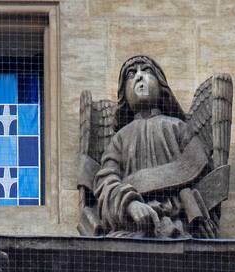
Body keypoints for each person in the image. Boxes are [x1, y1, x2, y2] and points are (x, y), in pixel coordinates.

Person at [92, 55, 216, 239]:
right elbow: (106, 182)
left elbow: (202, 172)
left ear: (161, 85)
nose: (139, 77)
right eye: (131, 74)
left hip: (177, 226)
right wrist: (130, 204)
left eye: (147, 71)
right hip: (131, 227)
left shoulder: (178, 127)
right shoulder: (120, 138)